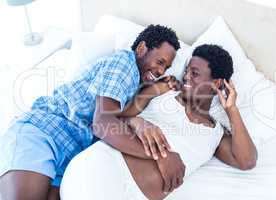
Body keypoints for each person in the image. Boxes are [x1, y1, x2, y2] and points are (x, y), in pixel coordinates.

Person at [0, 25, 181, 200]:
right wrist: (160, 156)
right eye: (160, 62)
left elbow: (120, 113)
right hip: (45, 132)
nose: (160, 71)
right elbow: (102, 124)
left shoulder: (132, 82)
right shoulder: (124, 64)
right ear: (141, 48)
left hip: (67, 154)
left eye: (165, 68)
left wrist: (154, 91)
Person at [60, 44, 258, 200]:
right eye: (187, 70)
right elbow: (114, 118)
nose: (186, 76)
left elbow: (247, 161)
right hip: (101, 169)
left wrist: (231, 110)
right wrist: (138, 122)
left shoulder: (216, 134)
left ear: (216, 83)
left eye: (195, 73)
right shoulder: (164, 92)